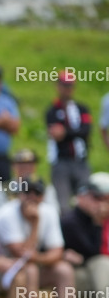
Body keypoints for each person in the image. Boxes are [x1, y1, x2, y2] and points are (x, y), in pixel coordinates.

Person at [0, 177, 89, 298]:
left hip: (30, 268)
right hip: (2, 274)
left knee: (64, 270)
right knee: (30, 270)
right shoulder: (7, 214)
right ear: (18, 195)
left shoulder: (49, 212)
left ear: (43, 196)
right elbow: (21, 256)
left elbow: (57, 251)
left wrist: (38, 258)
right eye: (27, 192)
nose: (32, 197)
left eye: (37, 193)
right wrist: (35, 224)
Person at [61, 172, 109, 298]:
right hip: (68, 276)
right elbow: (93, 251)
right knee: (101, 266)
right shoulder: (71, 220)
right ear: (82, 197)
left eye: (103, 198)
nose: (101, 203)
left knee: (102, 267)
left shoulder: (92, 219)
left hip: (89, 271)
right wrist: (98, 223)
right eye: (96, 198)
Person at [46, 69, 92, 213]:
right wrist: (74, 133)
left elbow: (86, 131)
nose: (67, 89)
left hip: (80, 161)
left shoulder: (82, 108)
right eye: (64, 85)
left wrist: (65, 132)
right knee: (64, 205)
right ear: (58, 86)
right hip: (61, 162)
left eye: (70, 85)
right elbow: (55, 133)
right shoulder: (52, 110)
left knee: (86, 202)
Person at [0, 148, 59, 215]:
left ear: (35, 166)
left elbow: (53, 212)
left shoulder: (46, 188)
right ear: (13, 166)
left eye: (29, 164)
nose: (25, 167)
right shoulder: (2, 188)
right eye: (21, 164)